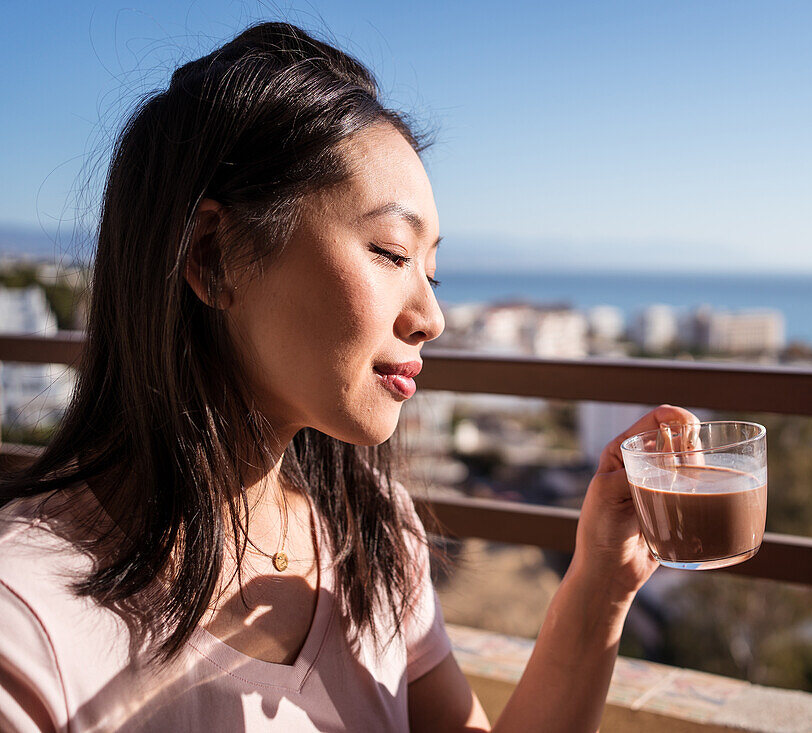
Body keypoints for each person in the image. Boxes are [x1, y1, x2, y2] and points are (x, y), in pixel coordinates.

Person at [0, 22, 698, 732]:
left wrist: (602, 583)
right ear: (212, 254)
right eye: (393, 253)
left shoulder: (376, 535)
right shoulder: (28, 623)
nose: (432, 316)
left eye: (433, 270)